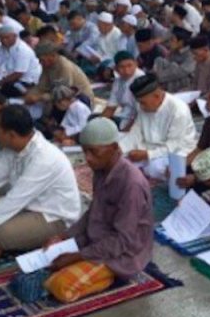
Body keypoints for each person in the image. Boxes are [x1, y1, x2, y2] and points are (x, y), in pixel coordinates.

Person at [0, 105, 81, 268]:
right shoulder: (11, 148)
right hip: (24, 206)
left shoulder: (45, 158)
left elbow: (13, 201)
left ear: (11, 135)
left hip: (52, 216)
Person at [44, 118, 153, 303]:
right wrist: (64, 237)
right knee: (46, 257)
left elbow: (122, 241)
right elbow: (94, 211)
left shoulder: (131, 184)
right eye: (84, 151)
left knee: (60, 286)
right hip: (97, 239)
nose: (87, 158)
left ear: (113, 148)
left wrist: (77, 256)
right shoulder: (101, 171)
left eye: (93, 152)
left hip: (122, 254)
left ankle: (109, 276)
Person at [119, 74, 197, 178]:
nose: (141, 106)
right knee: (117, 142)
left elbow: (174, 145)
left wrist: (147, 154)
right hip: (148, 146)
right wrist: (120, 148)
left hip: (176, 151)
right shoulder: (144, 105)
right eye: (139, 103)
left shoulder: (178, 110)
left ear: (157, 96)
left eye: (143, 103)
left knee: (155, 168)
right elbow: (136, 132)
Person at [0, 23, 43, 97]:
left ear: (15, 36)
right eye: (1, 38)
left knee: (0, 92)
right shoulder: (1, 48)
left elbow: (18, 74)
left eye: (7, 38)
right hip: (9, 77)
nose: (4, 40)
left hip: (26, 80)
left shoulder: (22, 50)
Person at [26, 41, 95, 108]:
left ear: (51, 56)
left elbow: (63, 94)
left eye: (42, 60)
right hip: (60, 97)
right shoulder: (47, 66)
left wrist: (39, 97)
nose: (40, 63)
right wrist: (31, 95)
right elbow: (42, 85)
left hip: (80, 101)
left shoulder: (64, 66)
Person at [101, 51, 145, 129]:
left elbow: (141, 113)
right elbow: (111, 107)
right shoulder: (118, 81)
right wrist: (98, 124)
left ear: (136, 64)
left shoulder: (141, 79)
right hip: (123, 117)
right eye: (122, 67)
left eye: (129, 66)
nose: (126, 70)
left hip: (138, 122)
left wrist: (127, 130)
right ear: (116, 69)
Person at [153, 27, 195, 93]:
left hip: (183, 81)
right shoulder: (174, 49)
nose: (170, 42)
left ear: (181, 42)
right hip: (167, 76)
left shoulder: (191, 54)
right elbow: (166, 62)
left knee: (174, 67)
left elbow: (181, 72)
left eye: (172, 40)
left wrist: (159, 76)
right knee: (159, 60)